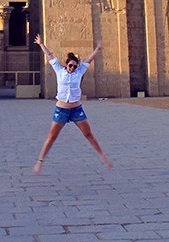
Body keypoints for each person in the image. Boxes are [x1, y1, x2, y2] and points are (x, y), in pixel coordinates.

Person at [33, 33, 112, 174]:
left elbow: (89, 59)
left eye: (75, 67)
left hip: (76, 109)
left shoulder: (79, 72)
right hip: (62, 109)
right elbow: (50, 55)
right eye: (70, 66)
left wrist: (97, 49)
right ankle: (40, 161)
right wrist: (40, 44)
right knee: (52, 137)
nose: (72, 68)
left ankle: (103, 157)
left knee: (89, 134)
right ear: (66, 64)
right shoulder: (59, 70)